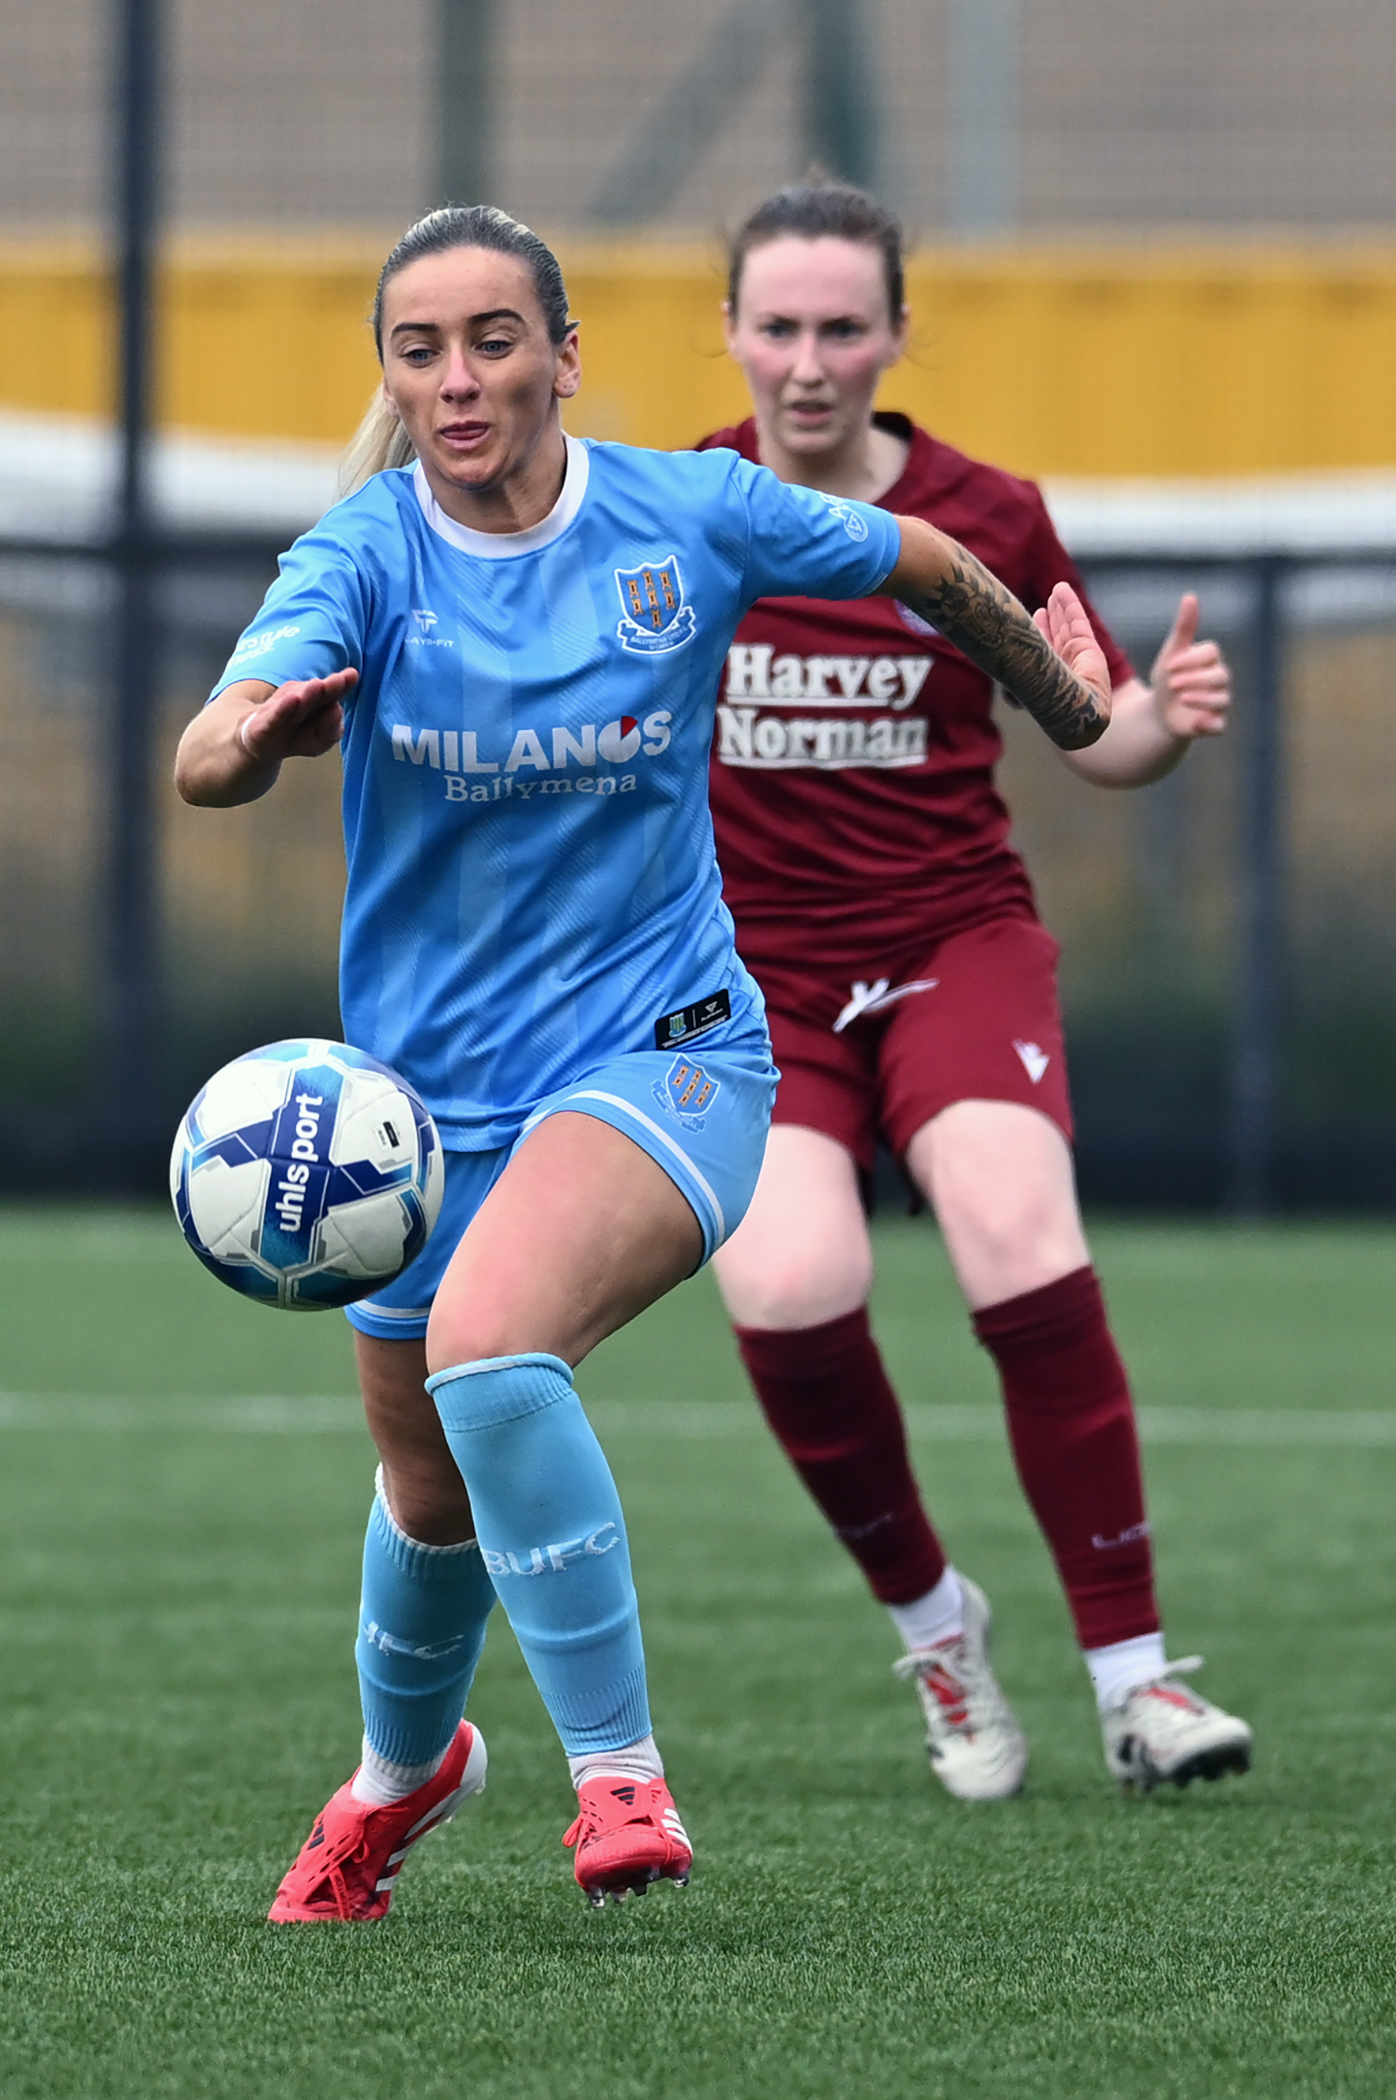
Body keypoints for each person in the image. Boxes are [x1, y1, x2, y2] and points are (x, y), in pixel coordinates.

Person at [175, 203, 1114, 1921]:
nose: (459, 380)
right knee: (427, 1486)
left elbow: (923, 560)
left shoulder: (691, 512)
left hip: (663, 1049)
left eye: (493, 340)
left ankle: (619, 1778)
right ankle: (398, 1777)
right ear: (392, 376)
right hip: (421, 1112)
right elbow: (206, 755)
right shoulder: (363, 553)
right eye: (420, 351)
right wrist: (256, 734)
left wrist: (1070, 703)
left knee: (487, 1345)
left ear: (564, 354)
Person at [701, 178, 1253, 1801]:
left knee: (1017, 1231)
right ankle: (939, 1631)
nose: (811, 362)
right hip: (748, 979)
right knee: (788, 1283)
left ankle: (1139, 1685)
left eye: (843, 327)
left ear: (896, 334)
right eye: (780, 327)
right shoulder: (675, 508)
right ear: (731, 332)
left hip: (952, 940)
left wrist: (1161, 721)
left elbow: (1100, 733)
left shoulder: (984, 516)